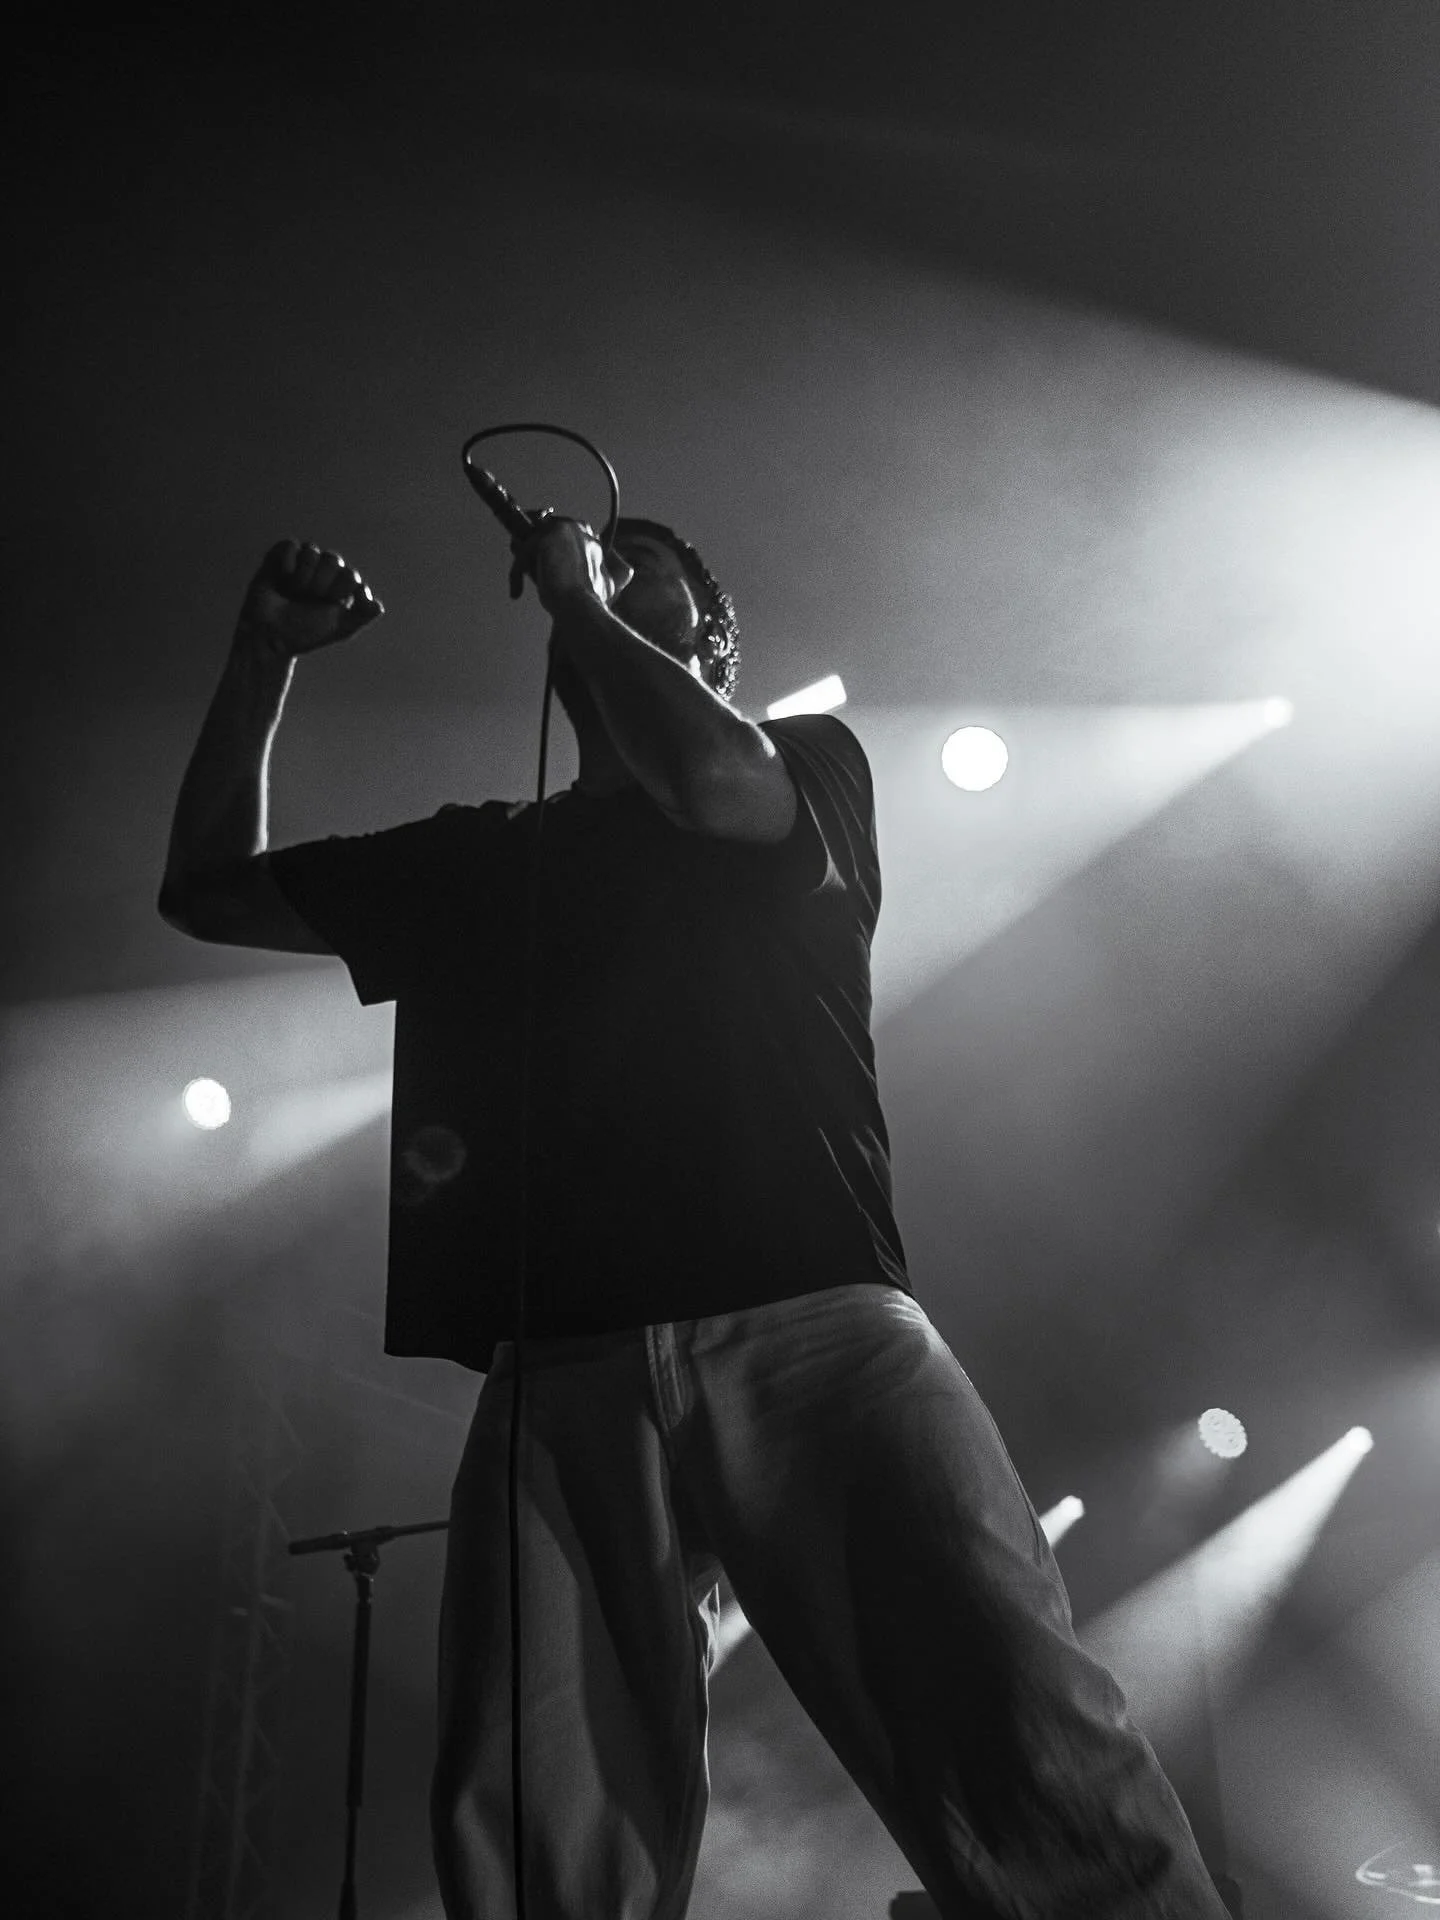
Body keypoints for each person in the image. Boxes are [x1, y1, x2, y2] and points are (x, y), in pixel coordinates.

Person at [160, 518, 1233, 1920]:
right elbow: (208, 891)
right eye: (596, 598)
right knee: (539, 1831)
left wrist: (576, 600)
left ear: (712, 649)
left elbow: (714, 778)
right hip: (560, 1372)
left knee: (1028, 1757)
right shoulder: (490, 858)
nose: (605, 606)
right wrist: (260, 661)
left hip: (816, 1324)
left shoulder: (805, 771)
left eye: (646, 599)